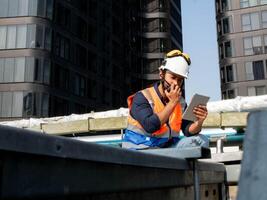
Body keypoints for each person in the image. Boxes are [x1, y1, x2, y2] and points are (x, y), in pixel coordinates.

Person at [122, 49, 209, 150]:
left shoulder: (180, 102)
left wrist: (199, 122)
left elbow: (187, 130)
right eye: (173, 77)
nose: (176, 83)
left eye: (180, 80)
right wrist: (172, 103)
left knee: (201, 140)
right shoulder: (142, 97)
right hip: (140, 148)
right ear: (161, 74)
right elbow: (150, 126)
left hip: (166, 148)